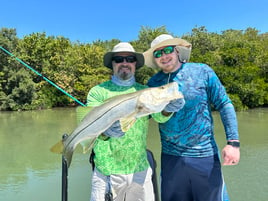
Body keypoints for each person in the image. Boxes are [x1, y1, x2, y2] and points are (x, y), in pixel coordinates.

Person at [143, 34, 240, 201]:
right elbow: (144, 117)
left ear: (177, 50)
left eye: (167, 50)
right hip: (171, 158)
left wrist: (233, 143)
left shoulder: (202, 71)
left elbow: (224, 104)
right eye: (158, 54)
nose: (164, 56)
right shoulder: (153, 83)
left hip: (205, 155)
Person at [86, 42, 185, 201]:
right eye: (118, 59)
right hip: (107, 171)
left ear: (135, 64)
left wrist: (169, 107)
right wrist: (105, 131)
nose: (124, 63)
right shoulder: (98, 92)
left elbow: (159, 116)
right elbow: (91, 126)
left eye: (130, 59)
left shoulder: (144, 90)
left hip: (140, 171)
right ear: (112, 64)